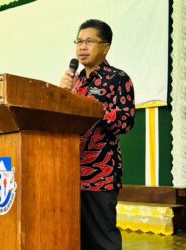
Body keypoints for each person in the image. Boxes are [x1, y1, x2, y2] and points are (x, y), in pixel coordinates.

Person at [60, 19, 135, 250]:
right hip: (71, 172)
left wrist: (91, 106)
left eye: (89, 41)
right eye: (79, 41)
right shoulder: (76, 82)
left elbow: (125, 121)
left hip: (100, 175)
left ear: (106, 46)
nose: (82, 47)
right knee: (76, 237)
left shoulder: (118, 79)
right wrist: (60, 95)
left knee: (103, 240)